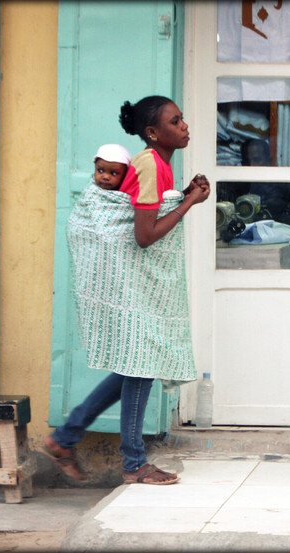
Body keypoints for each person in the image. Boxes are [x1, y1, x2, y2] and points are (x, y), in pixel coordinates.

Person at [43, 96, 210, 485]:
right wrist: (188, 204)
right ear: (153, 133)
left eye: (182, 119)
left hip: (134, 275)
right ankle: (134, 463)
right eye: (176, 120)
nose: (185, 126)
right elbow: (144, 235)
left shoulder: (159, 165)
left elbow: (150, 209)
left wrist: (182, 195)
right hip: (128, 275)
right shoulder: (151, 165)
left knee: (134, 364)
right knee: (140, 365)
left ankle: (65, 438)